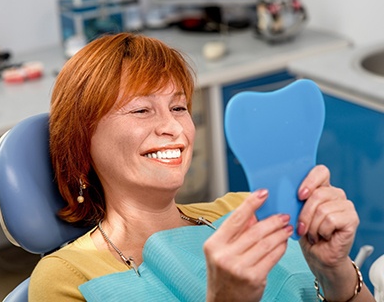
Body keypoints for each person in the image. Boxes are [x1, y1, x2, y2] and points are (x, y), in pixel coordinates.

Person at [29, 32, 374, 301]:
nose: (175, 129)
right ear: (81, 141)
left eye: (179, 108)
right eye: (141, 110)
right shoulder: (68, 277)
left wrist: (336, 272)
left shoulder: (247, 211)